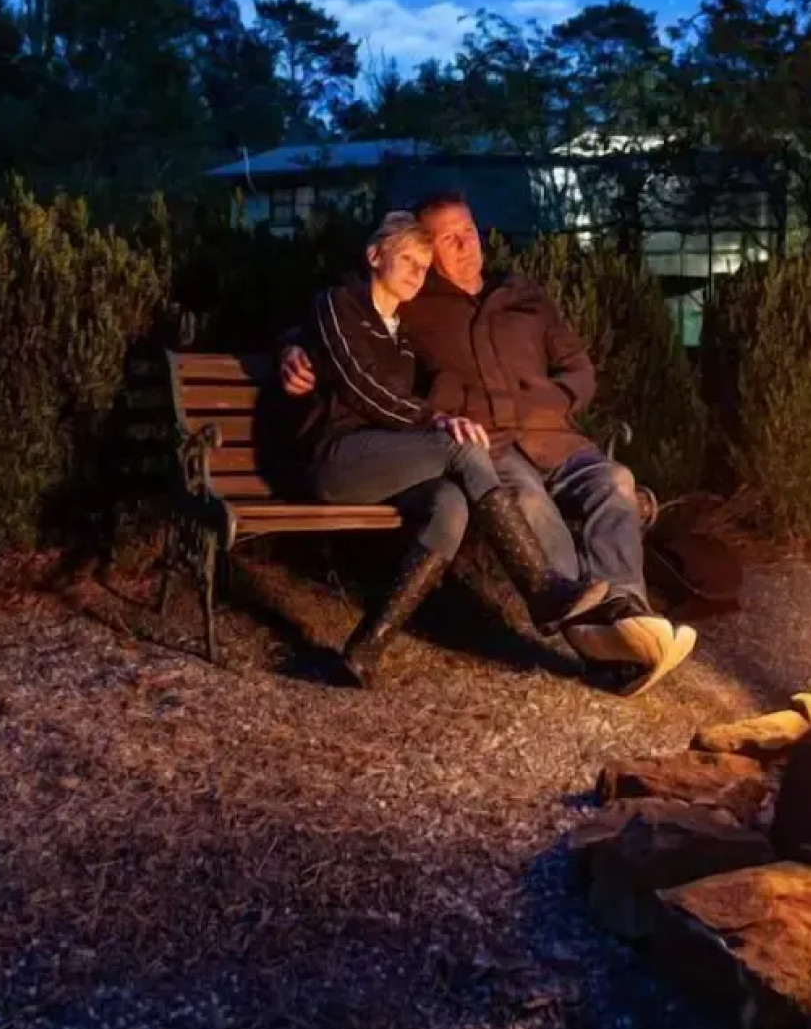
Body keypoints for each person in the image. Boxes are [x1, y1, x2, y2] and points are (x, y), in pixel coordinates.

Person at [279, 192, 696, 696]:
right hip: (481, 443)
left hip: (550, 435)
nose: (464, 244)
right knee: (528, 501)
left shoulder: (522, 295)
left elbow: (579, 367)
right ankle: (583, 628)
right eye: (446, 239)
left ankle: (628, 615)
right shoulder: (416, 302)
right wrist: (293, 347)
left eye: (469, 231)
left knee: (616, 481)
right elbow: (339, 326)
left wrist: (553, 402)